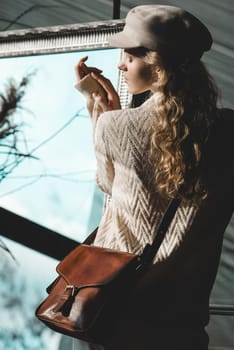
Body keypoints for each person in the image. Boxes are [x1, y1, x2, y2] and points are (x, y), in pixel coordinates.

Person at [74, 4, 234, 350]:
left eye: (129, 59)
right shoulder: (228, 131)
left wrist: (99, 109)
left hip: (118, 316)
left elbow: (108, 187)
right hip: (185, 325)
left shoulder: (115, 127)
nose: (120, 65)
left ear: (157, 63)